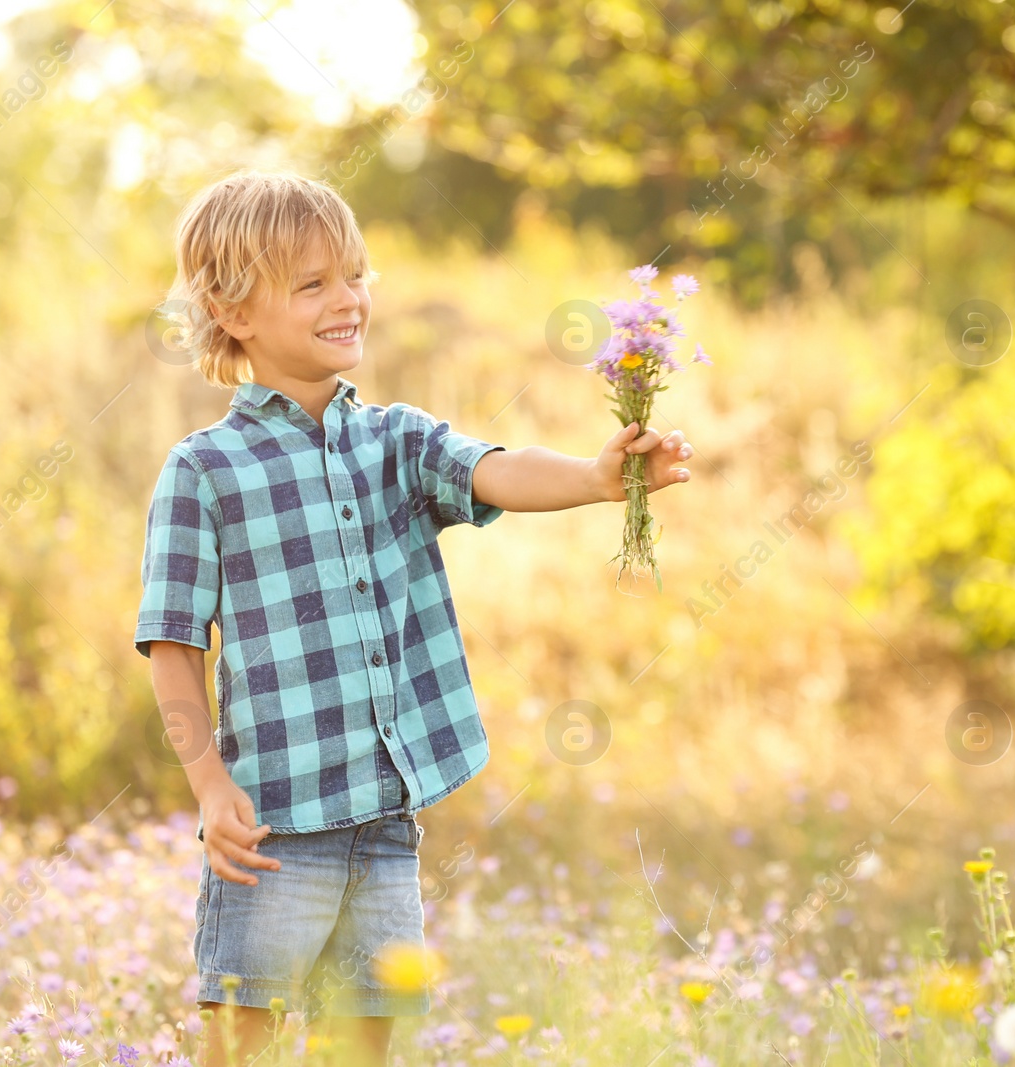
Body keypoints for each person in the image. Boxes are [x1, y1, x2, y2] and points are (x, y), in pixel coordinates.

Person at [134, 170, 695, 1066]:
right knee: (243, 1047)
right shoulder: (205, 469)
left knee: (365, 1046)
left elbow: (492, 469)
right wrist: (208, 783)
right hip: (273, 832)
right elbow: (171, 644)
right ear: (234, 311)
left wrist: (597, 479)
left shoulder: (393, 438)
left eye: (354, 275)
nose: (347, 298)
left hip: (388, 825)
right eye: (311, 283)